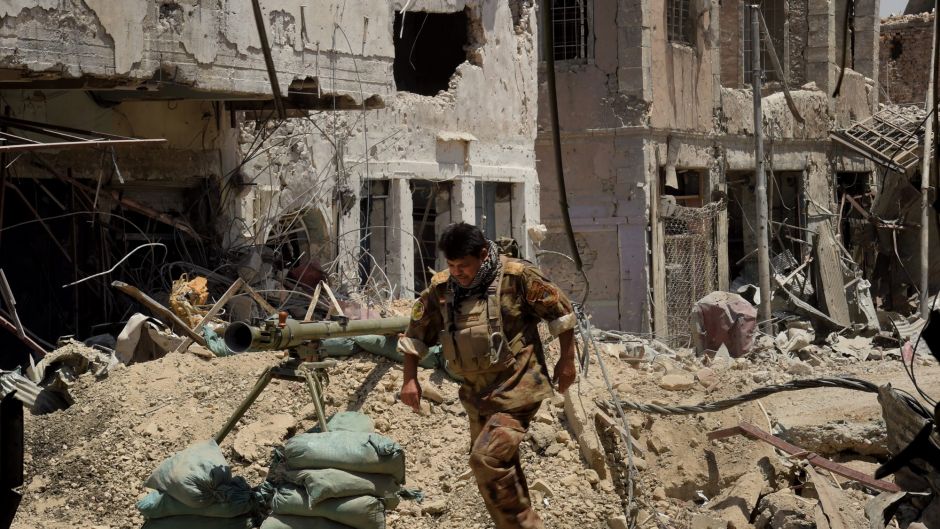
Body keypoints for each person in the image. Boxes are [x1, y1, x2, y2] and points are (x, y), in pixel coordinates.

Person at [397, 222, 577, 529]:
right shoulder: (443, 288)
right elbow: (415, 334)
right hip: (477, 396)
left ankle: (527, 525)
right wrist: (409, 379)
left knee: (486, 460)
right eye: (451, 265)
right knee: (495, 476)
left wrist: (567, 361)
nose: (457, 272)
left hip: (518, 387)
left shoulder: (519, 276)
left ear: (483, 255)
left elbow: (561, 312)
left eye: (463, 266)